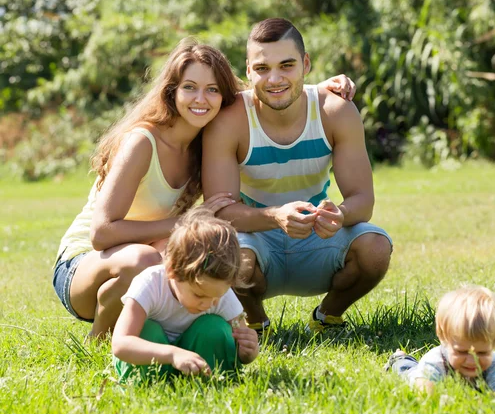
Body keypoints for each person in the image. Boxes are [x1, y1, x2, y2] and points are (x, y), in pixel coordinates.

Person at [52, 36, 355, 339]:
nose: (201, 99)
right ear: (172, 91)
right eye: (189, 88)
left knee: (199, 256)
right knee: (148, 260)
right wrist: (184, 223)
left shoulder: (206, 142)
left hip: (148, 257)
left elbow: (266, 92)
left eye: (212, 90)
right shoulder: (142, 142)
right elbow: (101, 233)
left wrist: (316, 90)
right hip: (83, 266)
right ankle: (100, 341)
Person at [202, 18, 393, 334]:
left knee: (375, 248)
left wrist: (339, 215)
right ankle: (255, 323)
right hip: (256, 240)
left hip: (317, 237)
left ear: (305, 64)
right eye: (262, 68)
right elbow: (221, 212)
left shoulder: (336, 111)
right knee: (226, 255)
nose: (274, 78)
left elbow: (363, 201)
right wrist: (276, 216)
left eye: (286, 66)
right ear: (248, 71)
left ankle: (326, 318)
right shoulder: (229, 120)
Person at [112, 207, 258, 381]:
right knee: (147, 331)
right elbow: (121, 343)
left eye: (217, 296)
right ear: (172, 270)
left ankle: (209, 379)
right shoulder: (150, 284)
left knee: (214, 328)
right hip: (150, 366)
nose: (209, 304)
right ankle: (150, 381)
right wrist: (172, 354)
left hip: (197, 368)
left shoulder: (218, 293)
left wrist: (248, 352)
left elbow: (235, 344)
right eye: (199, 295)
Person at [384, 286, 495, 393]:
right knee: (407, 370)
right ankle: (399, 358)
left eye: (482, 353)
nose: (472, 361)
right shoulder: (434, 363)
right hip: (416, 374)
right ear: (444, 339)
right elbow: (425, 397)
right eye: (462, 352)